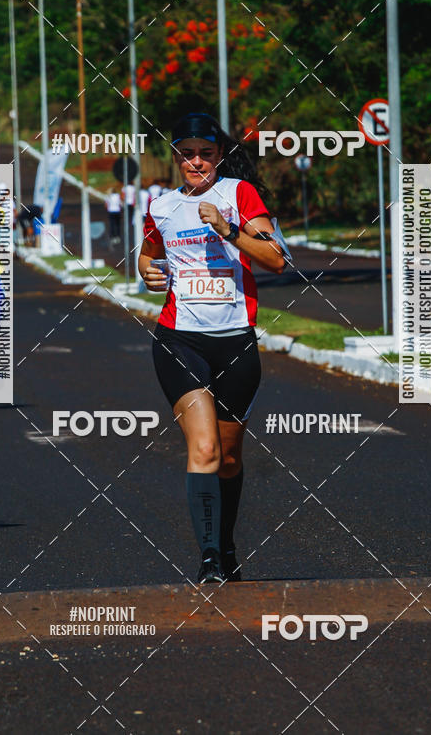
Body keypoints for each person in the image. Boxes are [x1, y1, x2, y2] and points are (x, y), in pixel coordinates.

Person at [139, 112, 290, 584]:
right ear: (177, 157)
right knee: (202, 448)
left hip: (236, 343)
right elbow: (147, 256)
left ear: (219, 155)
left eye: (206, 152)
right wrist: (147, 272)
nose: (197, 161)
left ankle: (225, 544)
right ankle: (208, 559)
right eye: (187, 153)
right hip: (179, 339)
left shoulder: (239, 195)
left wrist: (229, 230)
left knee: (227, 457)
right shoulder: (161, 206)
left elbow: (276, 259)